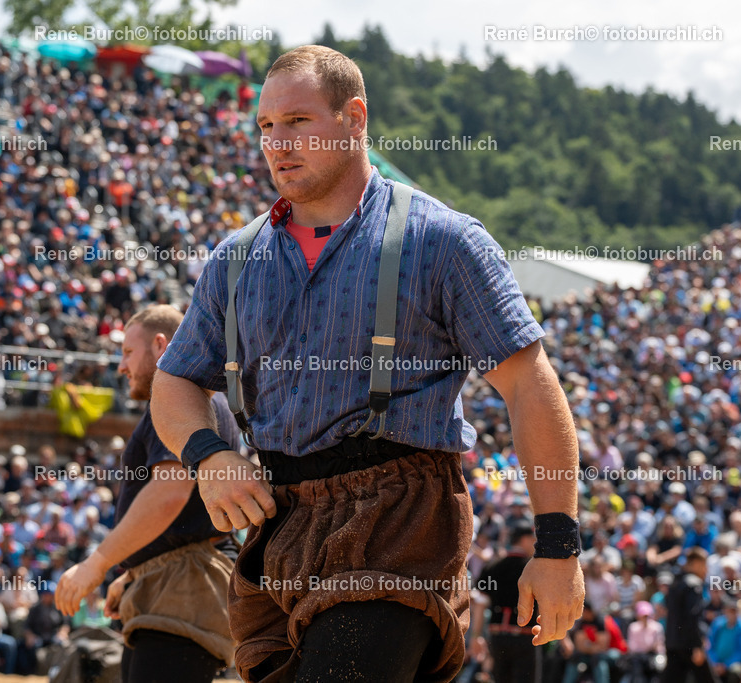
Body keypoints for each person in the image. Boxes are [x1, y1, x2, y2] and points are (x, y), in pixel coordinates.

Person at [149, 44, 585, 682]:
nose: (278, 142)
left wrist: (558, 547)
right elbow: (175, 380)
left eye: (298, 122)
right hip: (278, 522)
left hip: (399, 518)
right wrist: (209, 457)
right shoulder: (236, 259)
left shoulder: (444, 241)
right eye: (266, 127)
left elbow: (527, 385)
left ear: (354, 119)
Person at [55, 304, 239, 682]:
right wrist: (133, 572)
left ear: (160, 345)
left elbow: (170, 493)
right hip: (175, 583)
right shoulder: (194, 398)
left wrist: (97, 563)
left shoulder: (178, 399)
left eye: (127, 352)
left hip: (185, 587)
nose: (121, 367)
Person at [470, 523, 540, 683]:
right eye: (533, 539)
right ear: (524, 540)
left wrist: (475, 636)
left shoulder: (492, 566)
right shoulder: (534, 569)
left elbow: (480, 605)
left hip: (497, 637)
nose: (535, 544)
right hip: (525, 638)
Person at [664, 547, 715, 683]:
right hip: (689, 645)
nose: (706, 570)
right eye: (705, 565)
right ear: (697, 563)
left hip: (673, 643)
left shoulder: (675, 582)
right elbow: (693, 617)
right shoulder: (694, 584)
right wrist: (698, 646)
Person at [707, 598, 741, 683]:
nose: (731, 614)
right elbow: (710, 646)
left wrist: (725, 665)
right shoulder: (718, 624)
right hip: (717, 663)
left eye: (734, 611)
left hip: (737, 664)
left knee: (735, 671)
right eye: (729, 611)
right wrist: (715, 662)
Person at [624, 601, 665, 683]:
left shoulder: (657, 627)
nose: (645, 618)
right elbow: (632, 647)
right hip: (638, 658)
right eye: (643, 616)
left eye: (647, 616)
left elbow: (660, 647)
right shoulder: (633, 628)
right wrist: (649, 647)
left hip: (653, 657)